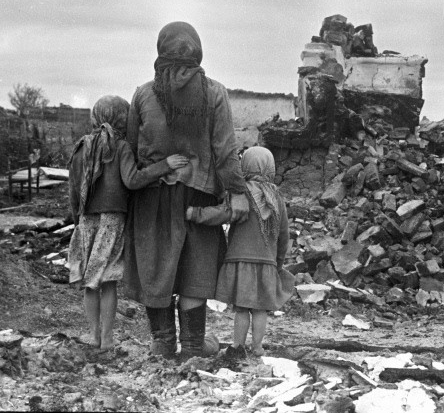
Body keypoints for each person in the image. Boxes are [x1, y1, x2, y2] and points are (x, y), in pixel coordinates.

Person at [124, 21, 249, 360]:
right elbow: (225, 151)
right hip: (199, 198)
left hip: (152, 199)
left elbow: (132, 150)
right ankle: (192, 348)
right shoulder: (215, 93)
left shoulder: (142, 94)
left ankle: (162, 344)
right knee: (195, 274)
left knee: (156, 271)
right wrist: (235, 193)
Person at [68, 95, 189, 351]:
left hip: (86, 220)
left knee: (90, 282)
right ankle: (109, 338)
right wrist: (164, 166)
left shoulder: (82, 147)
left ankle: (93, 335)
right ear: (123, 118)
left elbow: (73, 188)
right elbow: (133, 180)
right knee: (108, 280)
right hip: (113, 219)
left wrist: (76, 218)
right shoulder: (120, 147)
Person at [187, 146, 292, 359]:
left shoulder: (240, 194)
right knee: (261, 309)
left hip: (240, 261)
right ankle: (258, 347)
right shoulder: (276, 198)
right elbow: (284, 235)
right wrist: (277, 263)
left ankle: (237, 346)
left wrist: (195, 213)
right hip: (266, 263)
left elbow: (222, 214)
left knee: (242, 309)